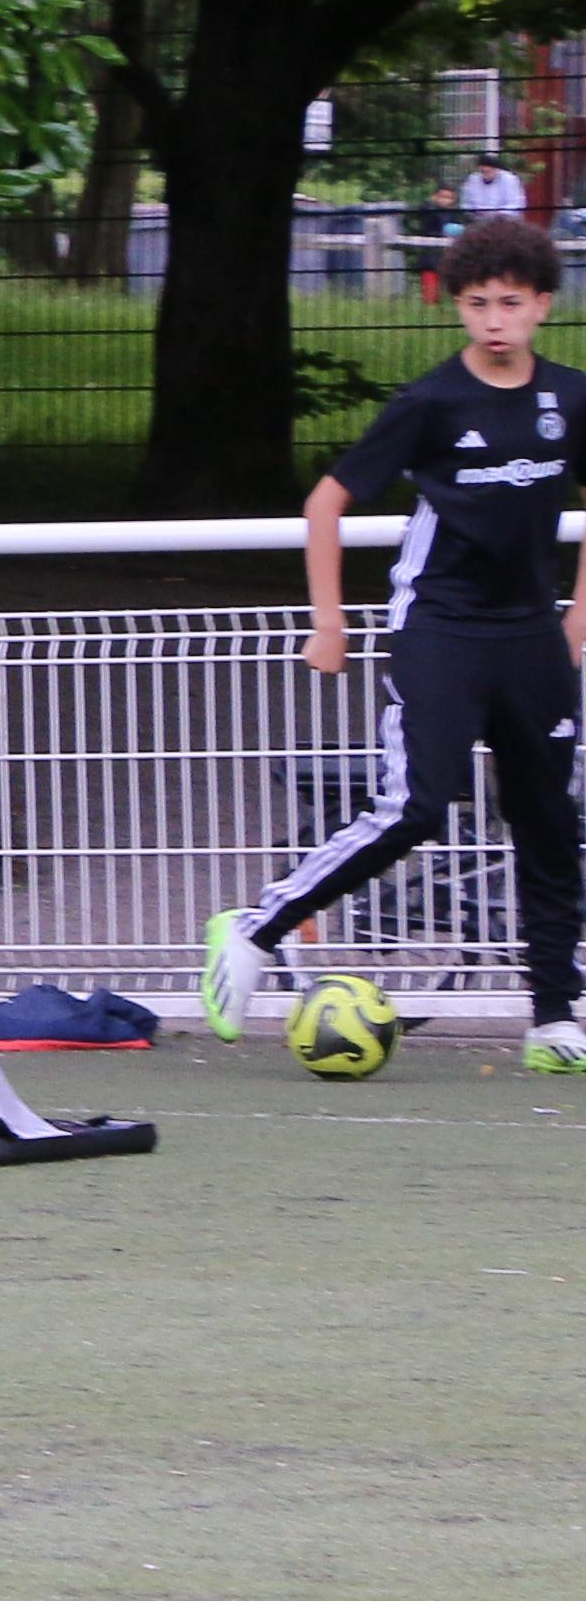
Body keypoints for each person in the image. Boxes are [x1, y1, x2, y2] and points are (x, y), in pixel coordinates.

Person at [204, 215, 586, 1073]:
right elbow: (325, 504)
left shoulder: (572, 397)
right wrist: (328, 619)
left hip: (531, 637)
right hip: (439, 629)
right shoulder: (430, 404)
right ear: (458, 308)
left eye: (512, 304)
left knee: (548, 823)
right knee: (418, 804)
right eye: (479, 304)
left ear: (542, 308)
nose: (495, 320)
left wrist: (577, 617)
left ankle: (555, 1019)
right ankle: (257, 926)